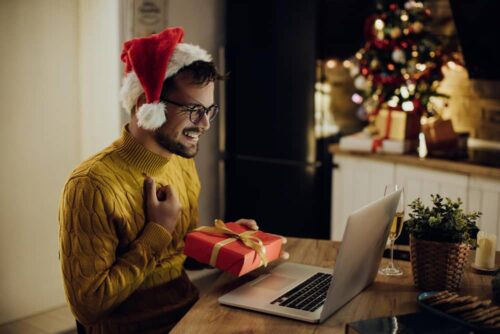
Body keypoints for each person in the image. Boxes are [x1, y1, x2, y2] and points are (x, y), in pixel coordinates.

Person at [58, 27, 266, 333]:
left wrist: (226, 242)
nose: (205, 123)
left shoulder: (181, 162)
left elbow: (183, 256)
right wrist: (157, 231)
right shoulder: (90, 185)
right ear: (147, 104)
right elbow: (88, 306)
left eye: (209, 109)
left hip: (191, 314)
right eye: (194, 109)